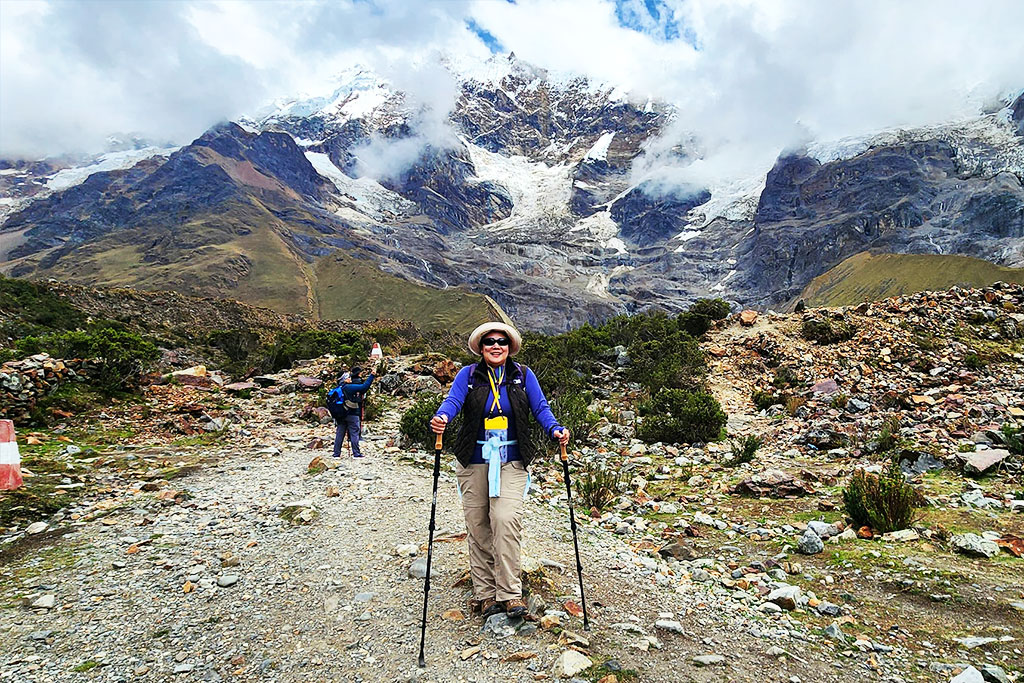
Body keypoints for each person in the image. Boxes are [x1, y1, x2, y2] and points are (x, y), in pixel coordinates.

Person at [429, 322, 569, 619]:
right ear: (481, 347)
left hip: (511, 459)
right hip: (474, 458)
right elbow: (453, 402)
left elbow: (540, 408)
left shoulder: (523, 376)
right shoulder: (468, 376)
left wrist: (555, 429)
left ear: (509, 347)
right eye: (490, 342)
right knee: (478, 524)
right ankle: (485, 594)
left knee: (505, 519)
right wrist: (442, 416)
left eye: (502, 342)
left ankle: (510, 593)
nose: (496, 346)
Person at [333, 361, 377, 459]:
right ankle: (356, 453)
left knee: (340, 433)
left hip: (340, 414)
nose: (350, 378)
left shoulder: (339, 388)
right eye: (348, 377)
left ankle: (336, 454)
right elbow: (364, 387)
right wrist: (372, 376)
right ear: (345, 379)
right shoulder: (349, 387)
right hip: (352, 413)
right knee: (354, 432)